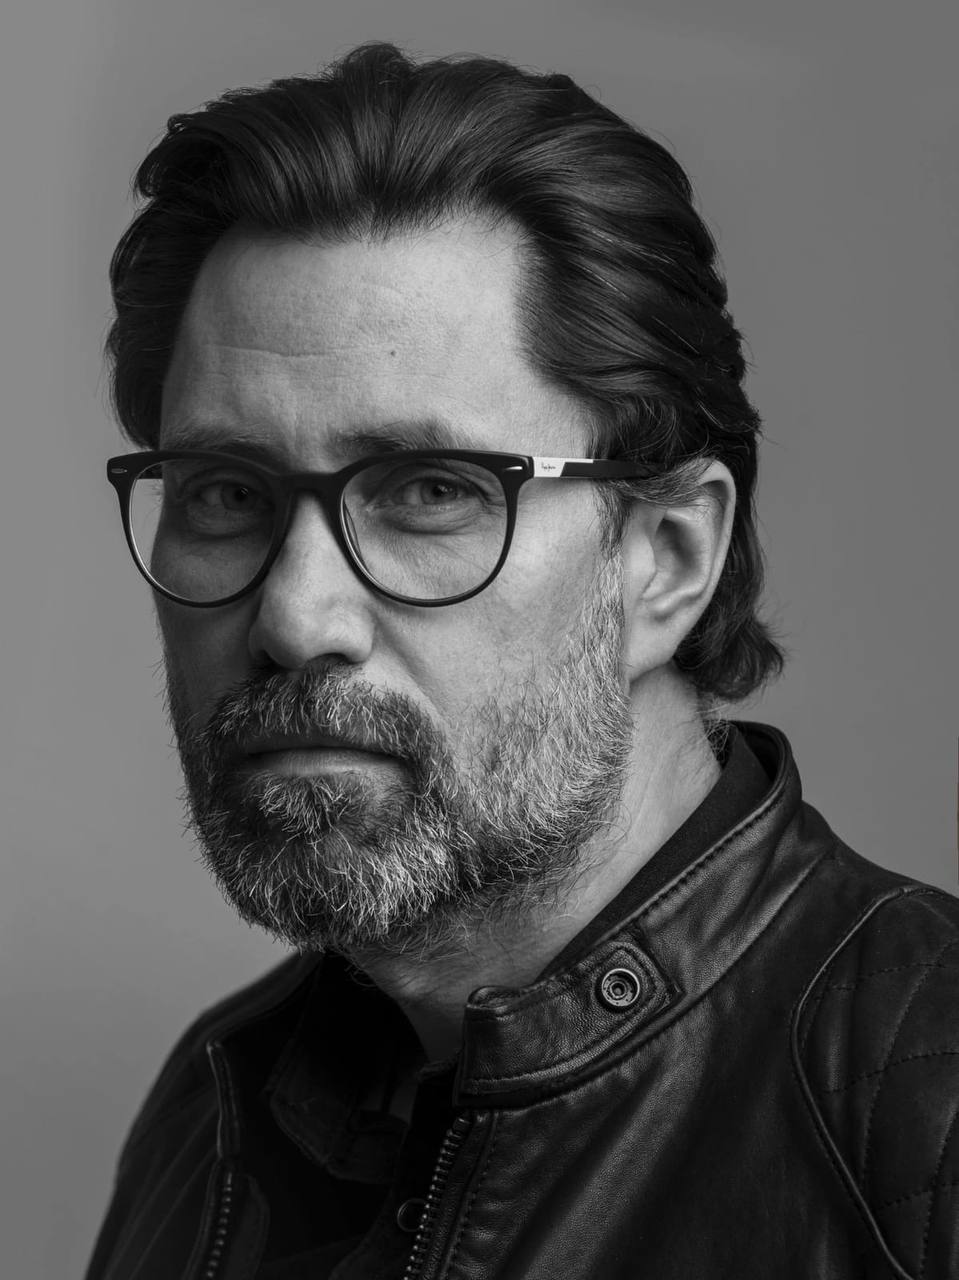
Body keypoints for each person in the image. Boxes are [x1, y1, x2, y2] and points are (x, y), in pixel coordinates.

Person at [85, 41, 958, 1280]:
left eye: (430, 490)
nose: (294, 614)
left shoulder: (923, 1116)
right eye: (225, 490)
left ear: (664, 559)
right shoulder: (217, 1106)